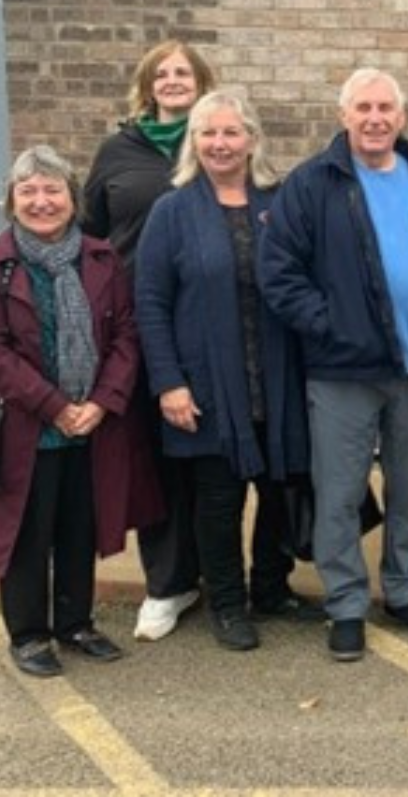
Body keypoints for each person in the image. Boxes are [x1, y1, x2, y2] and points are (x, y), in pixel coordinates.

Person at [258, 69, 408, 662]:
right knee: (340, 493)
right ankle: (345, 604)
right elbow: (279, 272)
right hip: (342, 372)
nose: (375, 119)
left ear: (402, 118)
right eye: (363, 108)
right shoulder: (311, 184)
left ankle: (403, 592)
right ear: (343, 115)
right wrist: (333, 326)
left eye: (385, 108)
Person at [134, 92, 318, 652]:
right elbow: (150, 300)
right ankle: (228, 603)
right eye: (208, 134)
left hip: (277, 376)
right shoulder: (173, 211)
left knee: (279, 486)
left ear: (252, 139)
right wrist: (168, 381)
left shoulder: (280, 201)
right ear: (194, 142)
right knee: (218, 500)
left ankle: (270, 586)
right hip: (209, 382)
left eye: (231, 133)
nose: (220, 144)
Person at [0, 146, 159, 677]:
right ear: (12, 200)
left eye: (52, 190)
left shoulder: (101, 257)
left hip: (91, 424)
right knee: (27, 527)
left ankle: (75, 622)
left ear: (72, 198)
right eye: (29, 191)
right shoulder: (3, 262)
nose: (41, 201)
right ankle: (28, 633)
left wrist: (99, 404)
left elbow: (126, 335)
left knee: (78, 526)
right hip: (27, 425)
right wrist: (54, 407)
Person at [84, 39, 218, 642]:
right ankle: (167, 582)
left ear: (202, 82)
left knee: (208, 458)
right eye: (161, 73)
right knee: (152, 458)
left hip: (207, 325)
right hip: (135, 326)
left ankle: (219, 575)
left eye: (183, 72)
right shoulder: (118, 151)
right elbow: (89, 232)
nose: (172, 81)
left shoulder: (218, 143)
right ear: (147, 85)